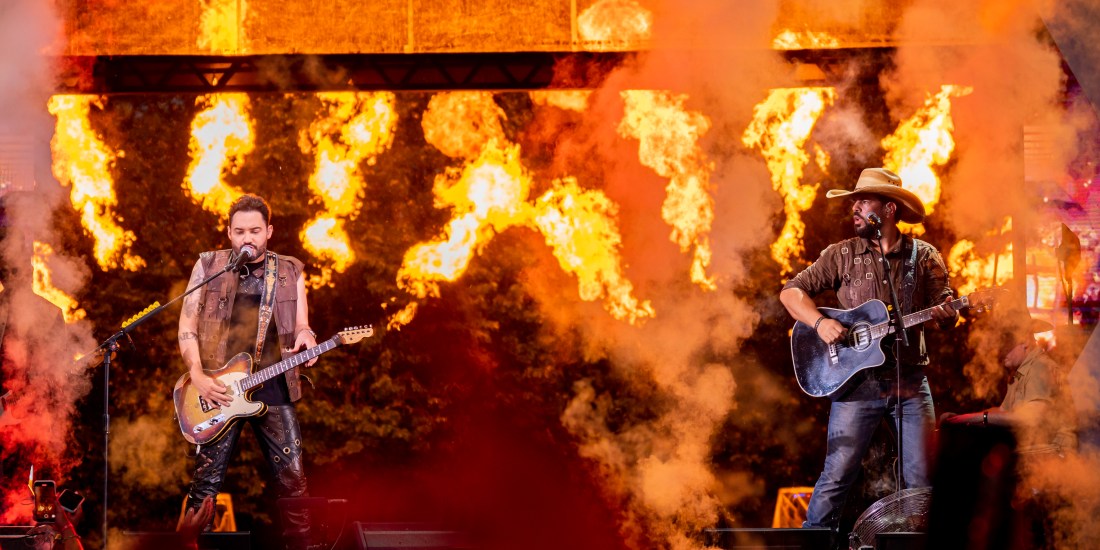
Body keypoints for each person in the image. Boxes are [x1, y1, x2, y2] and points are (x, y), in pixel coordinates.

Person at [779, 168, 958, 532]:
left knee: (921, 478)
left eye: (863, 201)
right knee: (837, 474)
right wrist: (820, 323)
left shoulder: (923, 256)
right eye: (855, 202)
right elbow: (790, 292)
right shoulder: (841, 254)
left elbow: (945, 310)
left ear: (889, 209)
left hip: (909, 383)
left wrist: (948, 312)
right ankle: (813, 541)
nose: (855, 208)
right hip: (856, 385)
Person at [178, 194, 319, 549]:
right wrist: (198, 375)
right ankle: (189, 545)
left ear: (269, 231)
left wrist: (306, 335)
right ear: (229, 232)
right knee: (205, 484)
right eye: (239, 231)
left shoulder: (290, 270)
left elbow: (302, 324)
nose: (247, 238)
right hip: (219, 391)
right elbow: (187, 326)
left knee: (294, 482)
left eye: (255, 231)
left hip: (274, 387)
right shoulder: (208, 266)